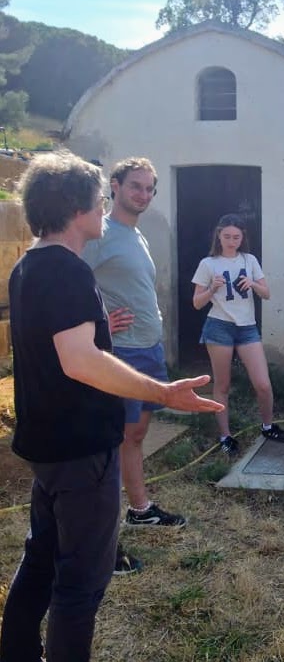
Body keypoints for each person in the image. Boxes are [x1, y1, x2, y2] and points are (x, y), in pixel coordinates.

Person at [0, 154, 222, 662]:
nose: (104, 209)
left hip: (49, 446)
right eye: (98, 200)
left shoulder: (30, 268)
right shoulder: (68, 272)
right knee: (81, 578)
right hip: (80, 448)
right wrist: (161, 392)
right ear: (77, 209)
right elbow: (82, 361)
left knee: (42, 559)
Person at [83, 157, 186, 535]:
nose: (143, 194)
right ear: (115, 185)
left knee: (137, 434)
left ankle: (140, 510)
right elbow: (73, 278)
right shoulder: (102, 232)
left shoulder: (136, 234)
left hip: (149, 348)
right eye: (135, 186)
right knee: (116, 436)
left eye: (148, 189)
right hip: (121, 351)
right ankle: (101, 525)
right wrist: (98, 324)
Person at [192, 214, 284, 450]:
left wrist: (253, 284)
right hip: (219, 327)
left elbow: (266, 294)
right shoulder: (208, 263)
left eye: (236, 237)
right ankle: (225, 437)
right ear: (219, 235)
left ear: (242, 237)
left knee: (263, 384)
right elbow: (197, 303)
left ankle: (268, 426)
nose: (231, 241)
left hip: (247, 328)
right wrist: (211, 289)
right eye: (227, 236)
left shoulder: (249, 260)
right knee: (223, 385)